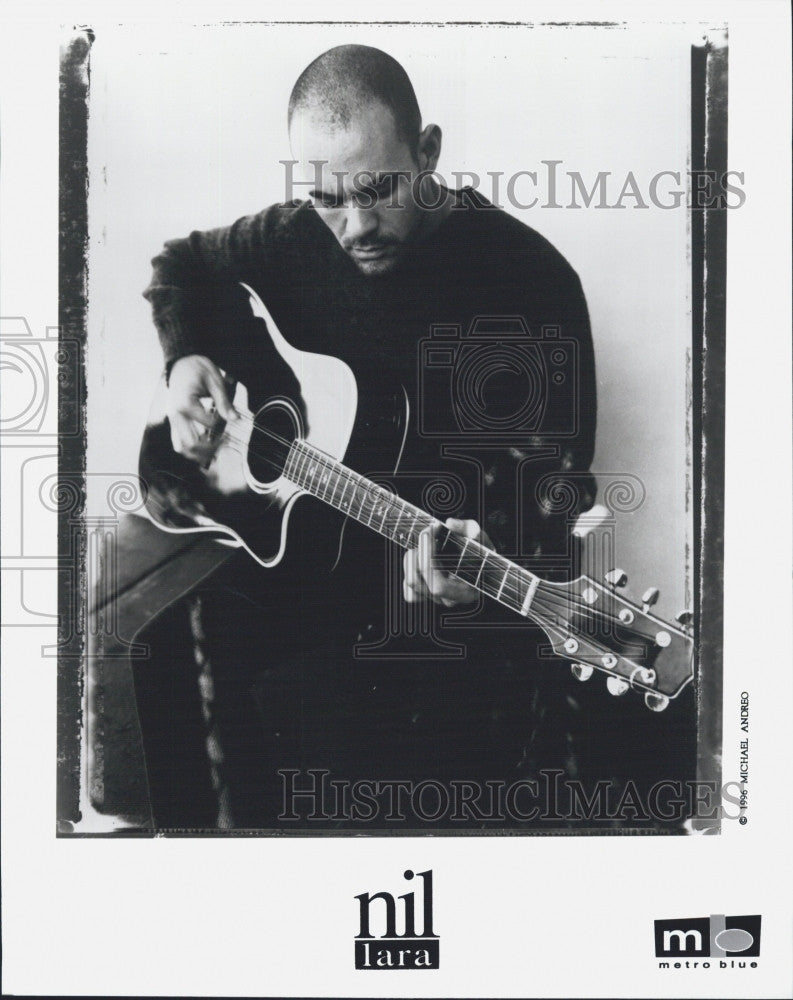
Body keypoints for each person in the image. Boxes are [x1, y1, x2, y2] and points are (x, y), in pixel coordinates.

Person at [134, 44, 616, 832]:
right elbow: (182, 264)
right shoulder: (293, 236)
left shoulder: (528, 282)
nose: (354, 226)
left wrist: (489, 551)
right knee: (149, 649)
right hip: (302, 570)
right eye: (325, 197)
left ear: (427, 152)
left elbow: (560, 486)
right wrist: (186, 353)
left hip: (439, 618)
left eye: (377, 190)